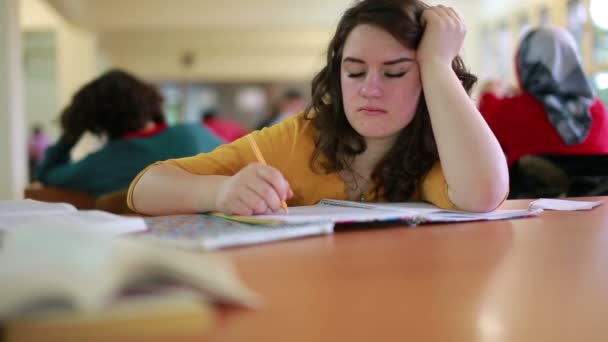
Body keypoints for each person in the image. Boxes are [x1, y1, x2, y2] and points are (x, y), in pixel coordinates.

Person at [128, 0, 509, 216]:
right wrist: (218, 192)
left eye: (394, 73)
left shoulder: (442, 148)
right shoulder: (298, 138)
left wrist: (439, 64)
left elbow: (483, 193)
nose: (370, 89)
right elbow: (146, 187)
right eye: (355, 71)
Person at [36, 69, 222, 197]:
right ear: (150, 101)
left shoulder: (102, 164)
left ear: (96, 121)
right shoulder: (196, 134)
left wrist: (72, 131)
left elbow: (46, 175)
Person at [478, 26, 608, 167]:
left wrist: (488, 95)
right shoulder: (598, 111)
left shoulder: (508, 111)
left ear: (524, 63)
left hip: (527, 189)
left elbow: (480, 140)